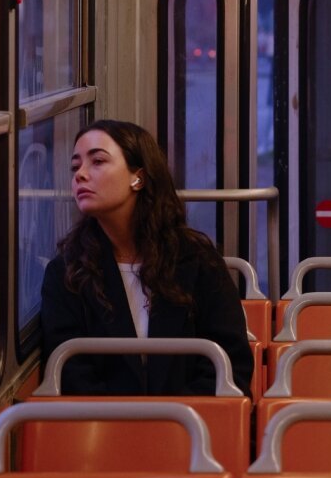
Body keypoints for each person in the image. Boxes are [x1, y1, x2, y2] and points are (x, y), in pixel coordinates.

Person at [41, 120, 253, 396]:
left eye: (97, 162)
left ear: (137, 177)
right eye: (75, 166)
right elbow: (69, 373)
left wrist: (169, 423)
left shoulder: (197, 261)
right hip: (102, 429)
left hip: (191, 426)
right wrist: (131, 426)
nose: (80, 175)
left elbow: (229, 363)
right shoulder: (67, 272)